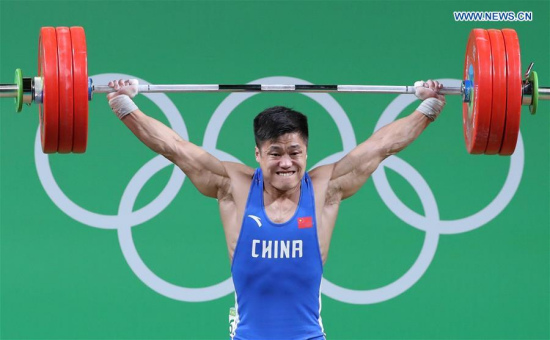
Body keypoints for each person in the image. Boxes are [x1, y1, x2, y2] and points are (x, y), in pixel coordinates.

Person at [107, 79, 445, 340]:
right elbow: (175, 148)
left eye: (295, 152)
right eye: (275, 153)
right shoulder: (234, 187)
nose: (286, 163)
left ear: (307, 152)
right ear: (258, 154)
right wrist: (125, 106)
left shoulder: (326, 190)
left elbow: (382, 147)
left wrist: (427, 108)